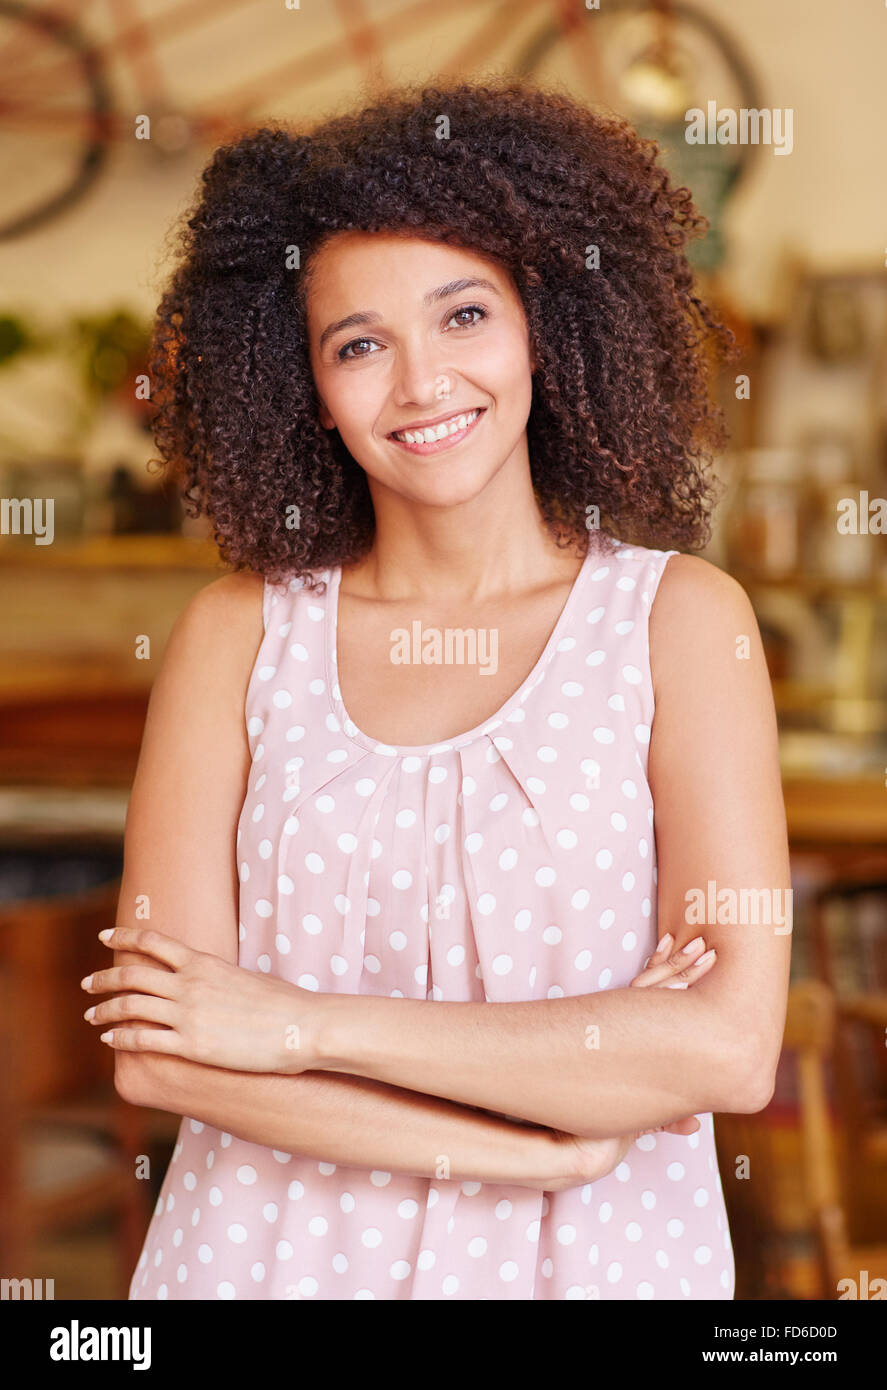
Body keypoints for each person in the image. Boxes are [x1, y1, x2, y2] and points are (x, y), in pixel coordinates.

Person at [81, 80, 791, 1300]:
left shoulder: (678, 624)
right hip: (266, 1264)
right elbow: (163, 1055)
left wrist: (292, 1024)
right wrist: (535, 1139)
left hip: (590, 1269)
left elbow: (724, 1045)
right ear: (303, 387)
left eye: (463, 315)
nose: (420, 383)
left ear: (544, 328)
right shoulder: (234, 636)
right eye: (358, 344)